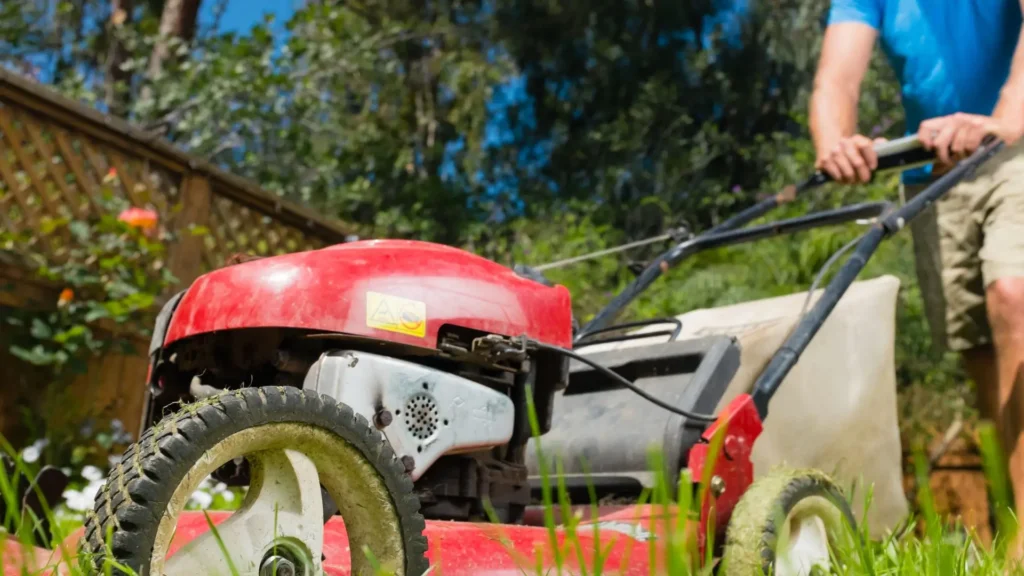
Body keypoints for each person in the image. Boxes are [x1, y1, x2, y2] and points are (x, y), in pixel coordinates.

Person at [810, 0, 1024, 552]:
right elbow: (837, 79)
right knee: (982, 357)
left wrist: (1002, 119)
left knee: (1014, 296)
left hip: (1017, 142)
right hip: (935, 172)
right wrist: (837, 140)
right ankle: (1009, 533)